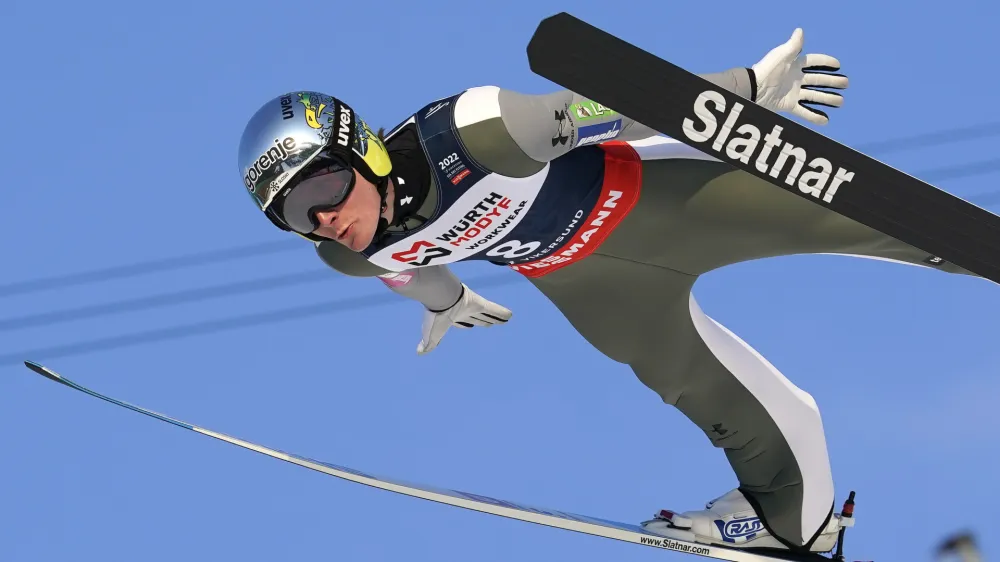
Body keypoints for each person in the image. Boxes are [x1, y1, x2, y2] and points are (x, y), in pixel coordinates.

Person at [236, 29, 976, 555]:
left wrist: (746, 92)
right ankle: (788, 524)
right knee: (730, 404)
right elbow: (408, 270)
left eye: (325, 187)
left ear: (360, 151)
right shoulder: (352, 255)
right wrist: (445, 302)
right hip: (590, 285)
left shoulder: (471, 134)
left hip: (664, 199)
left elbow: (612, 107)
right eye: (297, 216)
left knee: (866, 220)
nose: (325, 218)